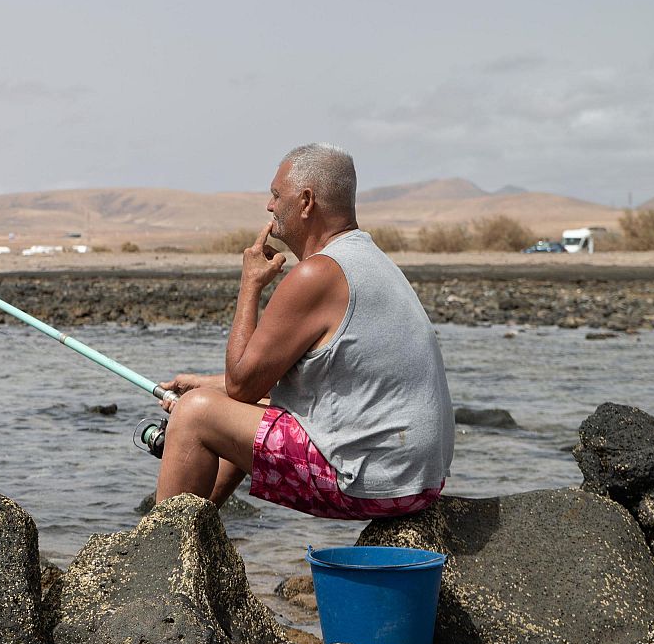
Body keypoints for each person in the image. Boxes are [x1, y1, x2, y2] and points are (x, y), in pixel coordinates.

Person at [154, 143, 453, 519]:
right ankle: (195, 531)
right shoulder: (369, 260)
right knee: (225, 406)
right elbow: (264, 382)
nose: (269, 206)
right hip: (415, 480)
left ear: (307, 202)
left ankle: (159, 558)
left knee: (195, 415)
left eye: (277, 195)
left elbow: (242, 384)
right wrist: (203, 382)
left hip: (370, 481)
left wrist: (250, 286)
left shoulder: (317, 274)